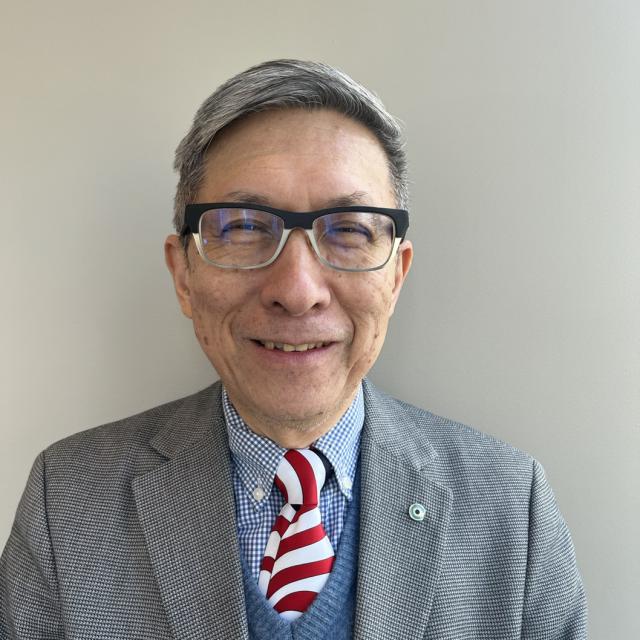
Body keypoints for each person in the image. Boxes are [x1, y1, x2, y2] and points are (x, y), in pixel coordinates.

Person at [0, 59, 586, 639]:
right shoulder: (69, 500)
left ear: (396, 276)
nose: (297, 292)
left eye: (351, 229)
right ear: (183, 275)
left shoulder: (513, 509)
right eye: (244, 226)